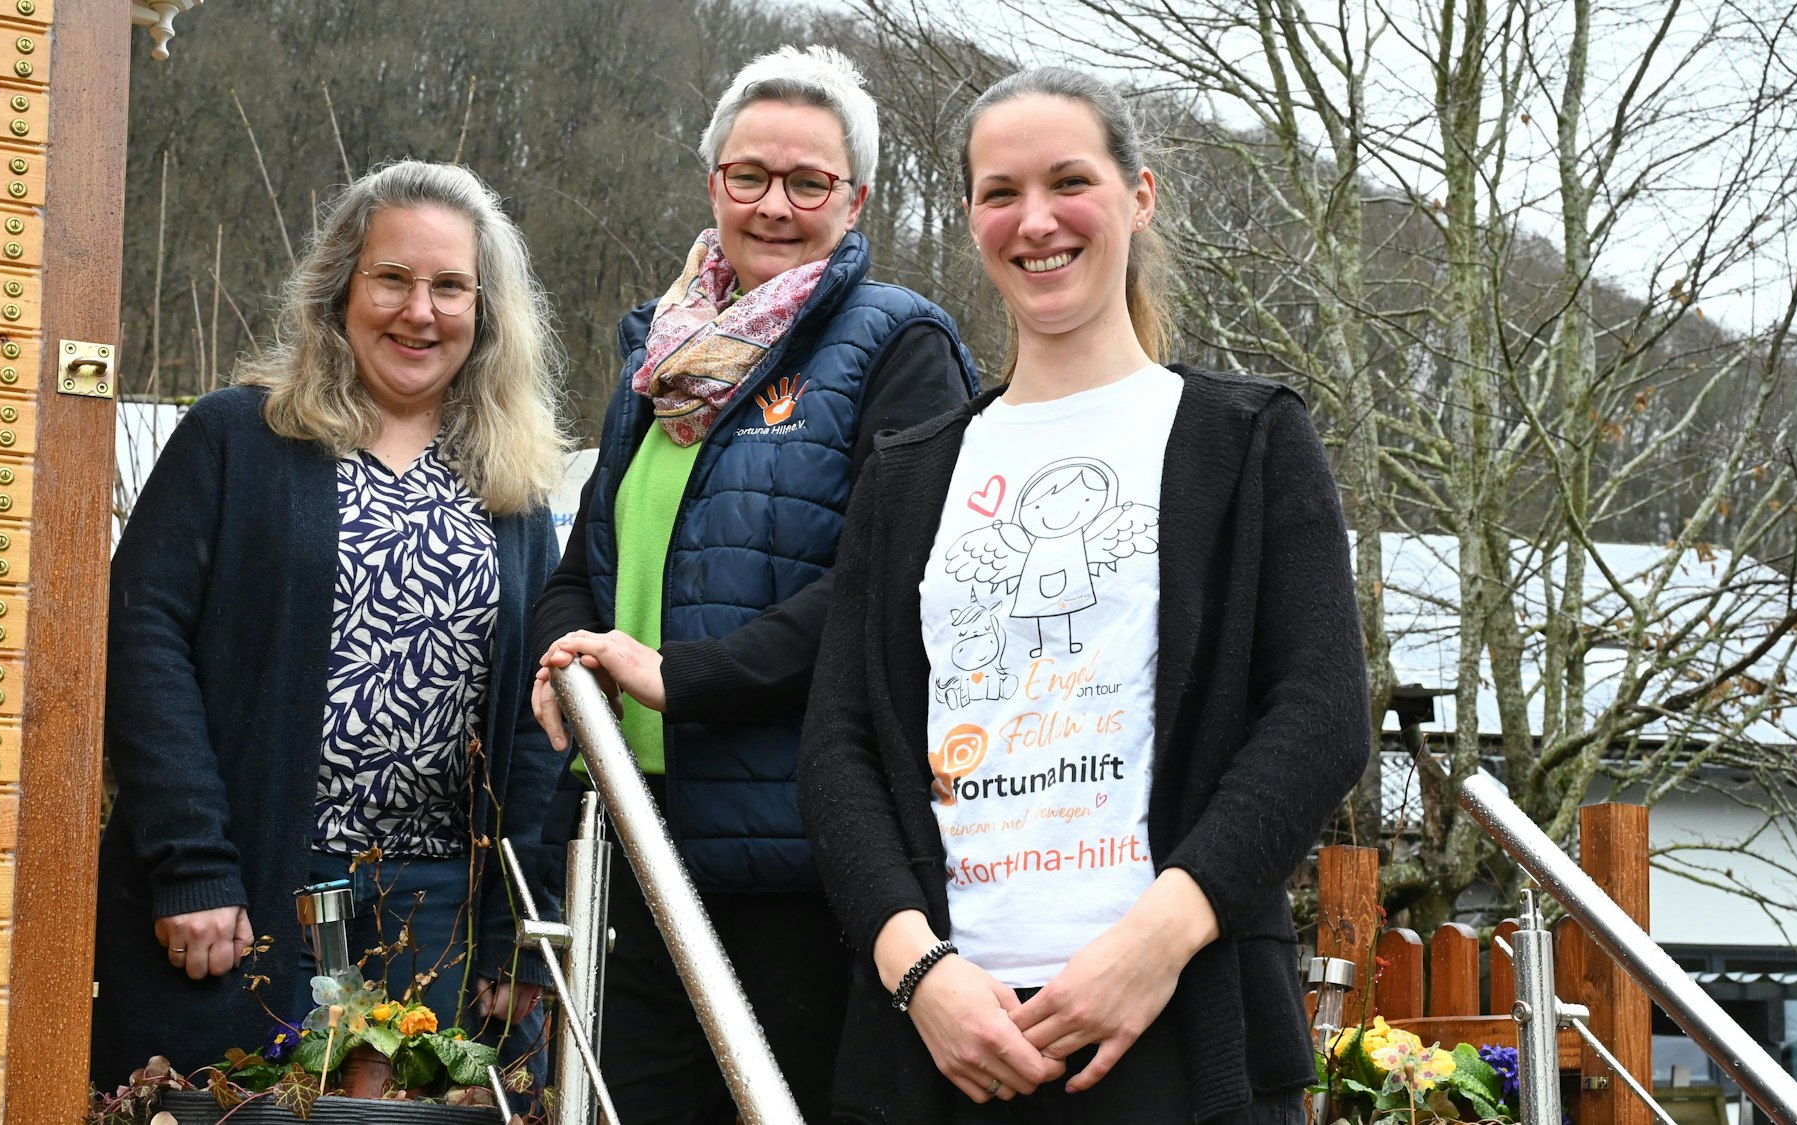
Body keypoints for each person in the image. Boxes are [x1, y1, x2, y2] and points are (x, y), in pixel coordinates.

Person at [797, 68, 1371, 1123]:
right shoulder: (907, 474)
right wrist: (917, 972)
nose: (1035, 221)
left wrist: (1154, 944)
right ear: (970, 217)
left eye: (1069, 181)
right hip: (941, 1051)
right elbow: (837, 746)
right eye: (999, 192)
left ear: (1138, 196)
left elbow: (1320, 715)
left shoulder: (1247, 438)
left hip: (1182, 1039)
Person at [528, 44, 977, 1125]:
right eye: (749, 175)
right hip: (638, 836)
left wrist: (684, 676)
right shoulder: (658, 358)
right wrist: (565, 653)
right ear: (713, 184)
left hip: (797, 859)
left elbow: (894, 588)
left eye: (808, 182)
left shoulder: (899, 344)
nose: (774, 204)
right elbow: (590, 563)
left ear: (855, 200)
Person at [92, 159, 567, 1084]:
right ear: (340, 287)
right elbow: (143, 642)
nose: (418, 311)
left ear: (485, 312)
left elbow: (534, 721)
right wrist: (192, 863)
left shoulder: (513, 487)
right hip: (251, 889)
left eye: (450, 286)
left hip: (438, 910)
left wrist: (516, 923)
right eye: (391, 278)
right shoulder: (237, 438)